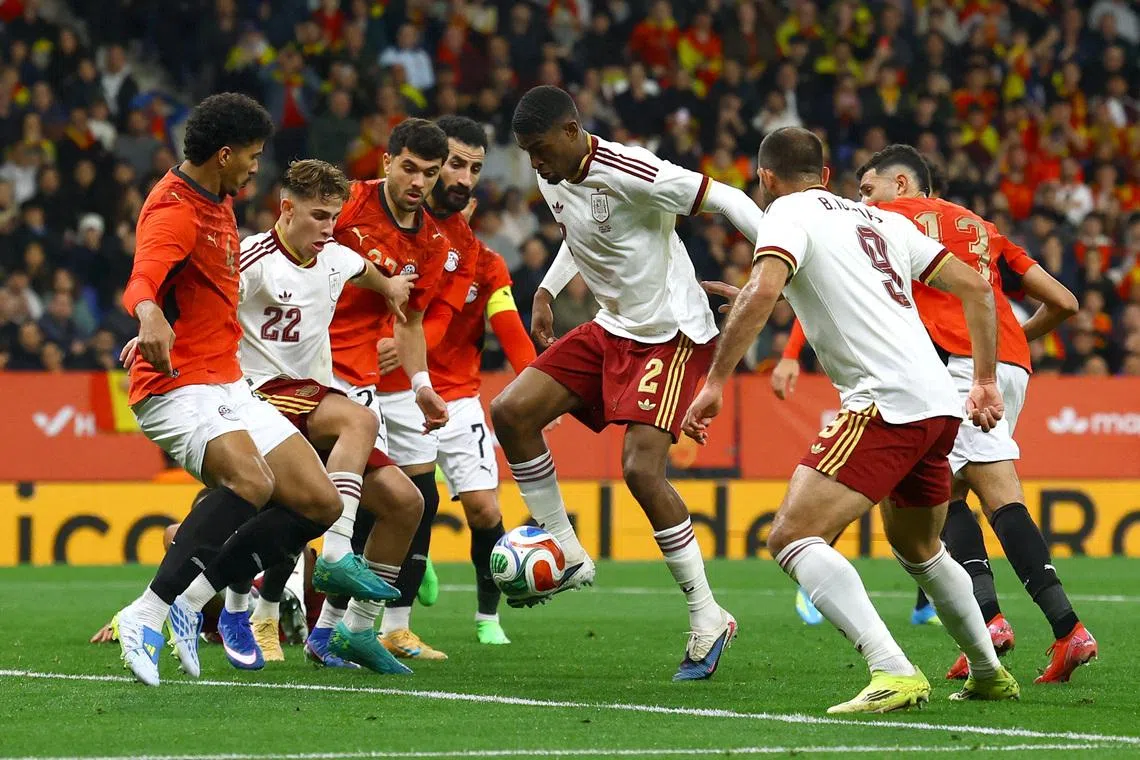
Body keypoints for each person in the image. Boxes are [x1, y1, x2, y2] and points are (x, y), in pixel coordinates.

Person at [682, 127, 1018, 713]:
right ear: (828, 175)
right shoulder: (883, 221)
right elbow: (978, 289)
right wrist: (984, 380)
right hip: (939, 403)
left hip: (884, 403)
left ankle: (892, 669)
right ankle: (989, 672)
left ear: (764, 179)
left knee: (790, 536)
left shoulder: (785, 212)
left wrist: (714, 383)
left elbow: (766, 289)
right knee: (920, 547)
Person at [112, 94, 387, 687]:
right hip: (177, 386)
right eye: (253, 157)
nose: (256, 168)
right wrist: (148, 316)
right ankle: (147, 613)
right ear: (225, 154)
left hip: (228, 383)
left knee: (320, 503)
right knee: (252, 482)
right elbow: (142, 278)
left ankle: (190, 605)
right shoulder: (175, 211)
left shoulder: (220, 201)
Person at [491, 85, 765, 681]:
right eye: (526, 153)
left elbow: (732, 200)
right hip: (611, 326)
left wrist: (778, 266)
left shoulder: (635, 170)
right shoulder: (553, 173)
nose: (534, 163)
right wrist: (546, 287)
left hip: (670, 332)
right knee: (510, 412)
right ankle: (564, 548)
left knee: (641, 470)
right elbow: (580, 232)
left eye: (539, 149)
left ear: (570, 131)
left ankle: (707, 616)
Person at [853, 144, 1096, 683]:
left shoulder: (886, 217)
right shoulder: (983, 228)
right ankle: (991, 624)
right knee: (952, 493)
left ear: (900, 183)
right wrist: (1014, 339)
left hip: (963, 366)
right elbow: (1065, 302)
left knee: (997, 494)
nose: (861, 200)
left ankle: (1067, 629)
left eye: (867, 189)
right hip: (1008, 364)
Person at [378, 115, 539, 651]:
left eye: (474, 172)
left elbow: (508, 329)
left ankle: (486, 616)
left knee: (484, 510)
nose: (464, 184)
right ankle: (389, 605)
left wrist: (537, 384)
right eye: (455, 166)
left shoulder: (481, 260)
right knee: (403, 503)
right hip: (393, 388)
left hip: (457, 396)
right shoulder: (393, 219)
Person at [301, 118, 453, 674]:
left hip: (360, 389)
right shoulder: (344, 206)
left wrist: (421, 386)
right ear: (388, 161)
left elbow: (409, 323)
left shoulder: (432, 242)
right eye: (409, 167)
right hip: (304, 378)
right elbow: (295, 250)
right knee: (278, 510)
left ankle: (344, 634)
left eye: (429, 174)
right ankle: (195, 602)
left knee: (407, 504)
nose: (417, 182)